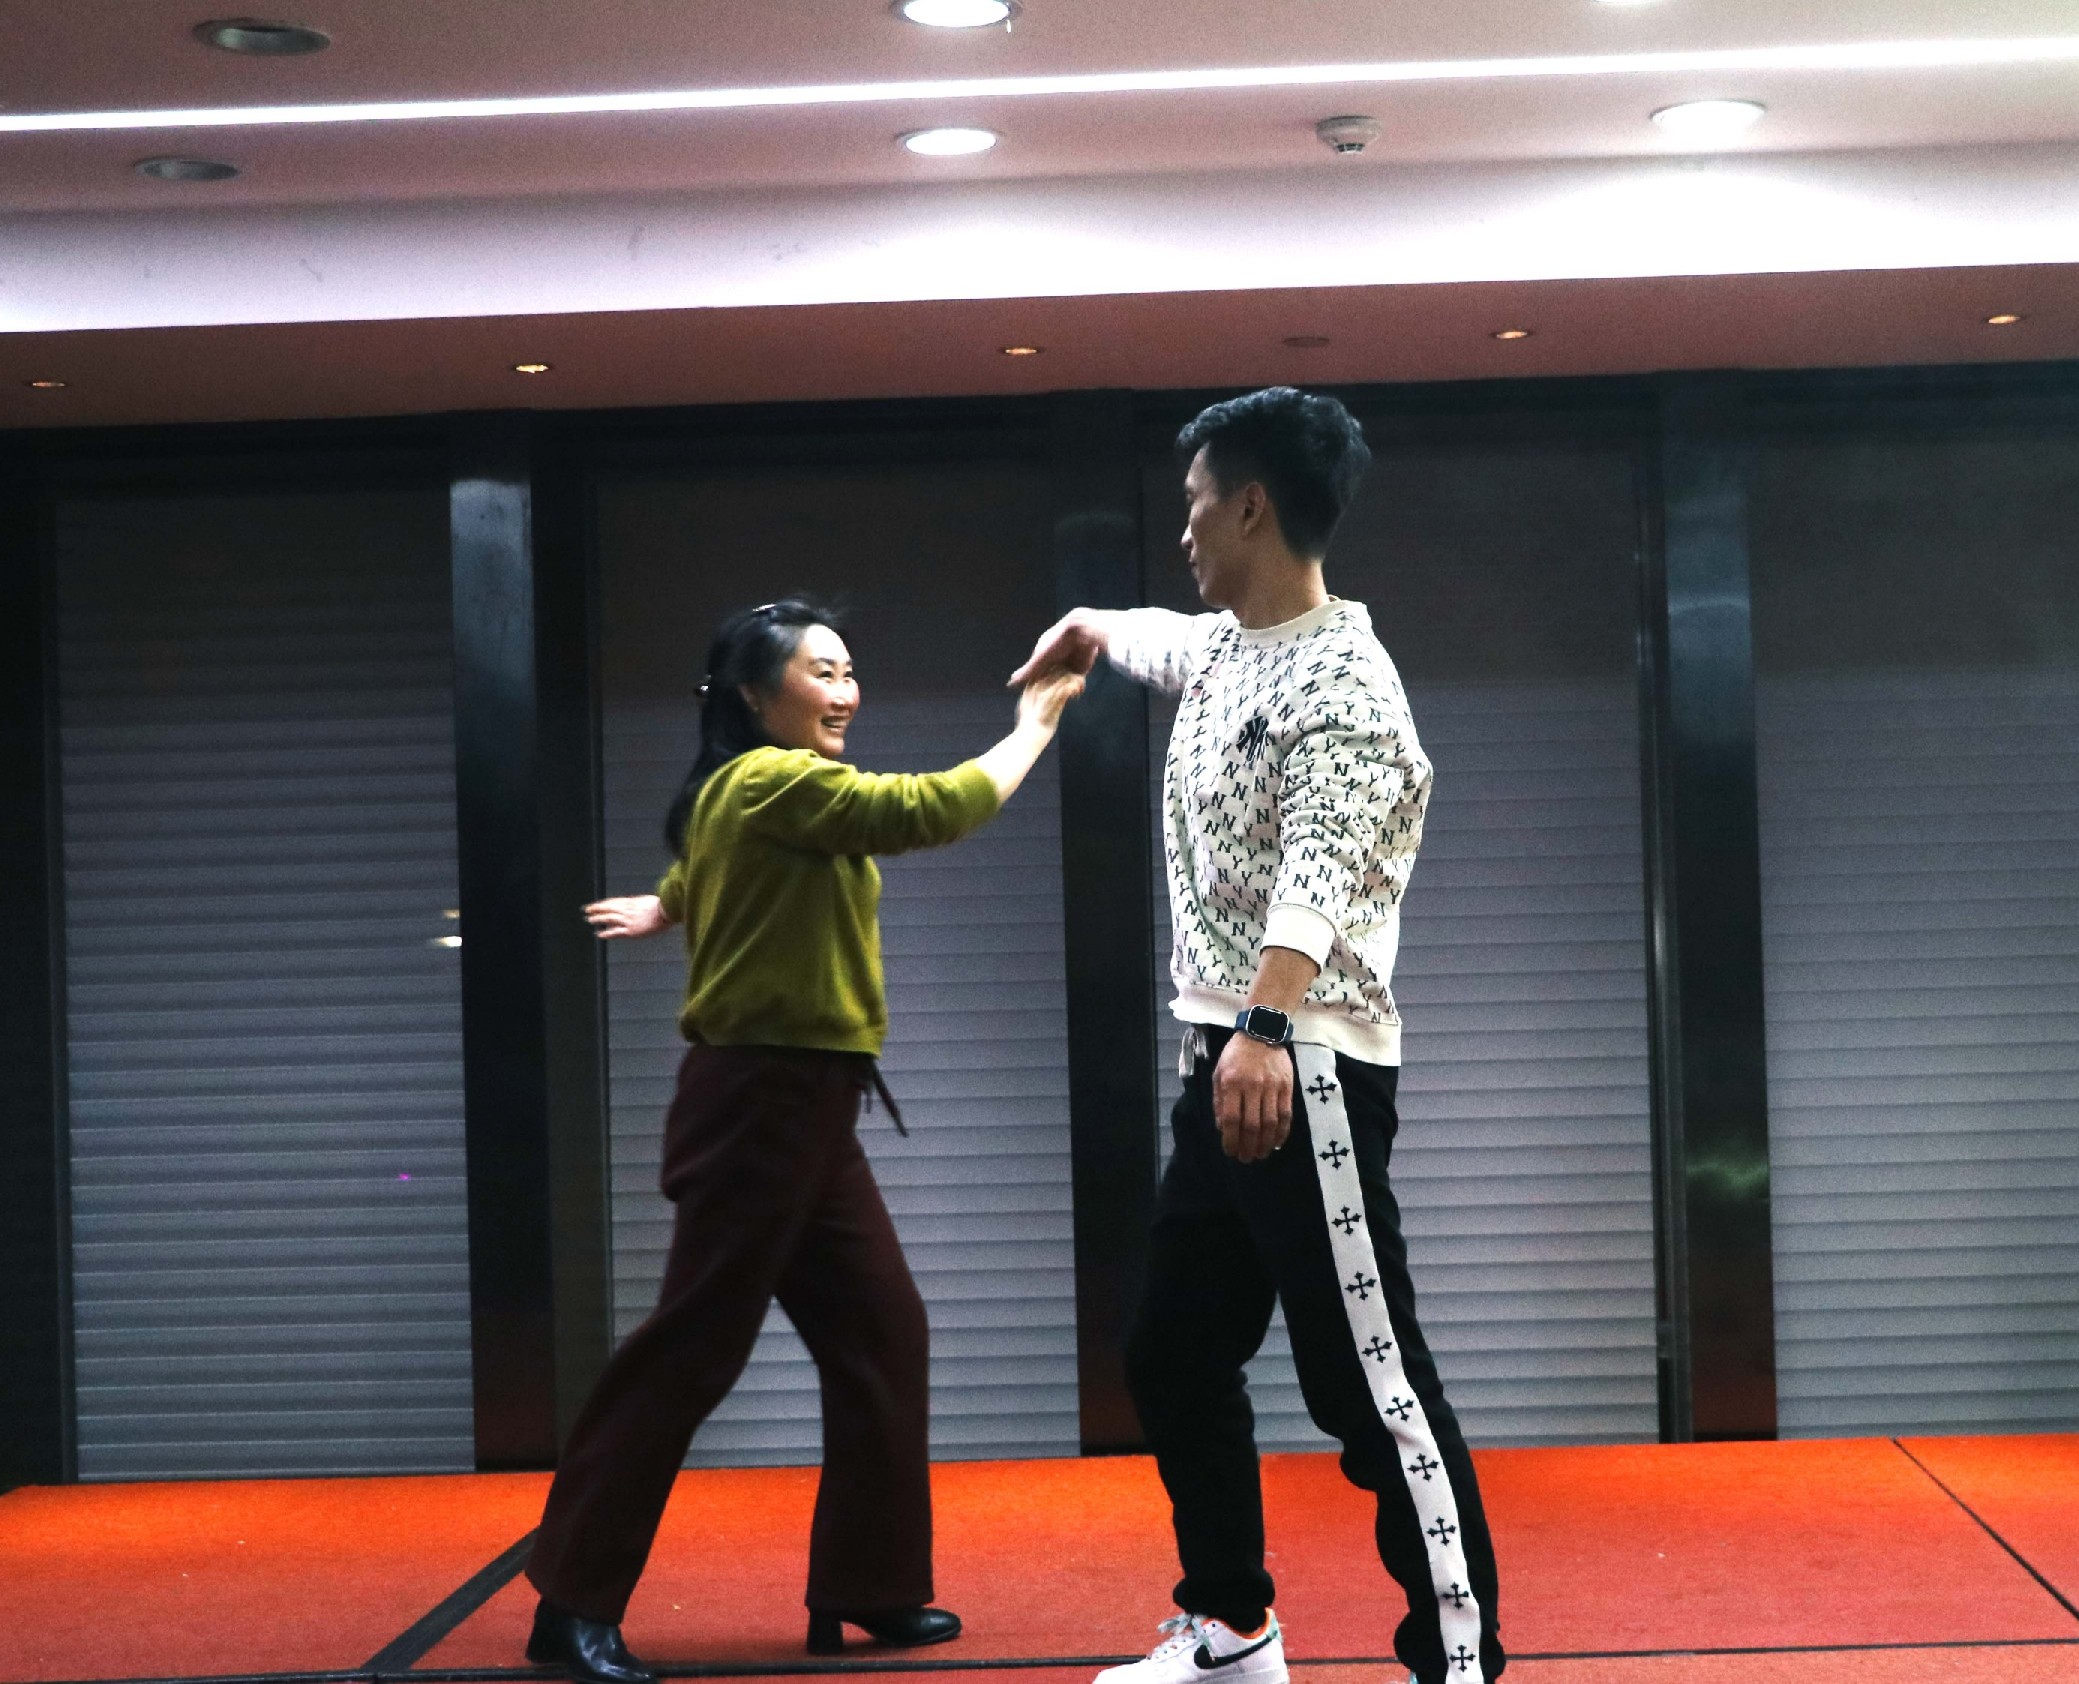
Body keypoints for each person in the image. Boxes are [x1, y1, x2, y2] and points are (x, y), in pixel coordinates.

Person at [1011, 388, 1505, 1684]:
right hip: (1228, 1062)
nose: (1180, 528)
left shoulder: (1346, 677)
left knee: (1368, 1388)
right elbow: (1169, 641)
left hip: (1303, 1064)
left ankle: (1460, 1663)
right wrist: (1092, 628)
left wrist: (1267, 1026)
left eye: (1192, 505)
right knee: (1173, 1352)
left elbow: (1321, 867)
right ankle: (1232, 1631)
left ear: (1250, 507)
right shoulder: (1235, 646)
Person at [523, 598, 1086, 1684]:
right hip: (759, 1104)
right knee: (691, 1349)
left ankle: (869, 1585)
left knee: (882, 1331)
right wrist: (1036, 726)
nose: (845, 692)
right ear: (754, 694)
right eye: (821, 672)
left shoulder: (741, 795)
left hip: (813, 1108)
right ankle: (571, 1603)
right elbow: (932, 807)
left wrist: (668, 905)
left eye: (849, 671)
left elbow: (712, 867)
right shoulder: (775, 781)